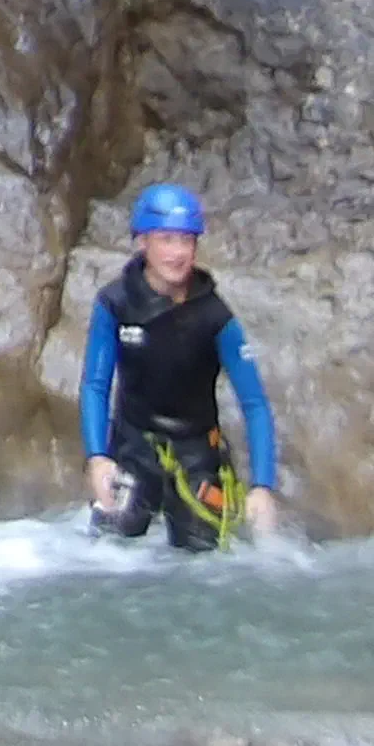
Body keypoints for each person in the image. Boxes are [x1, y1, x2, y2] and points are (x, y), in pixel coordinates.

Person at [81, 183, 286, 550]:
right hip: (133, 451)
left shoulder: (214, 315)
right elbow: (95, 385)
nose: (178, 253)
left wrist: (262, 487)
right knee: (106, 553)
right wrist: (97, 458)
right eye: (167, 239)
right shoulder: (115, 304)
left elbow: (254, 403)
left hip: (196, 457)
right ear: (143, 242)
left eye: (187, 241)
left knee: (203, 563)